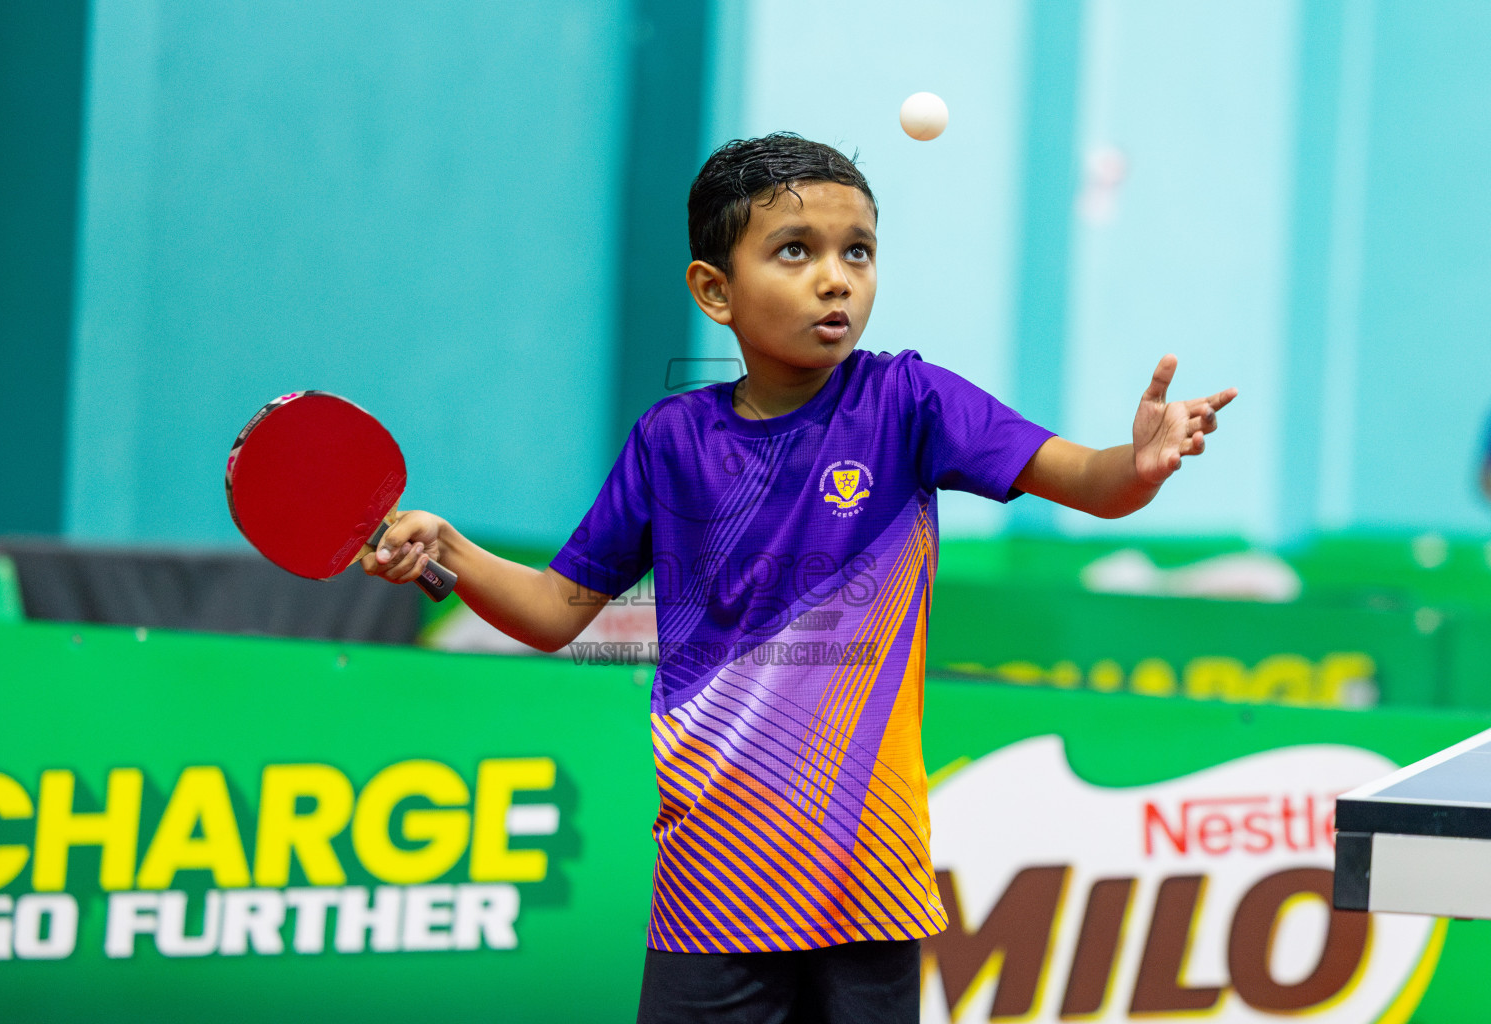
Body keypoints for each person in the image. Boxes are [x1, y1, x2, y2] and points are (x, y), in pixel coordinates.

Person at [363, 134, 1236, 1023]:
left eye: (856, 250)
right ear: (715, 291)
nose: (836, 278)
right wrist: (454, 550)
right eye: (796, 251)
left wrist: (1140, 461)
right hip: (711, 891)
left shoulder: (909, 402)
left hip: (871, 886)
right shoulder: (671, 441)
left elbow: (1087, 481)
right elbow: (556, 613)